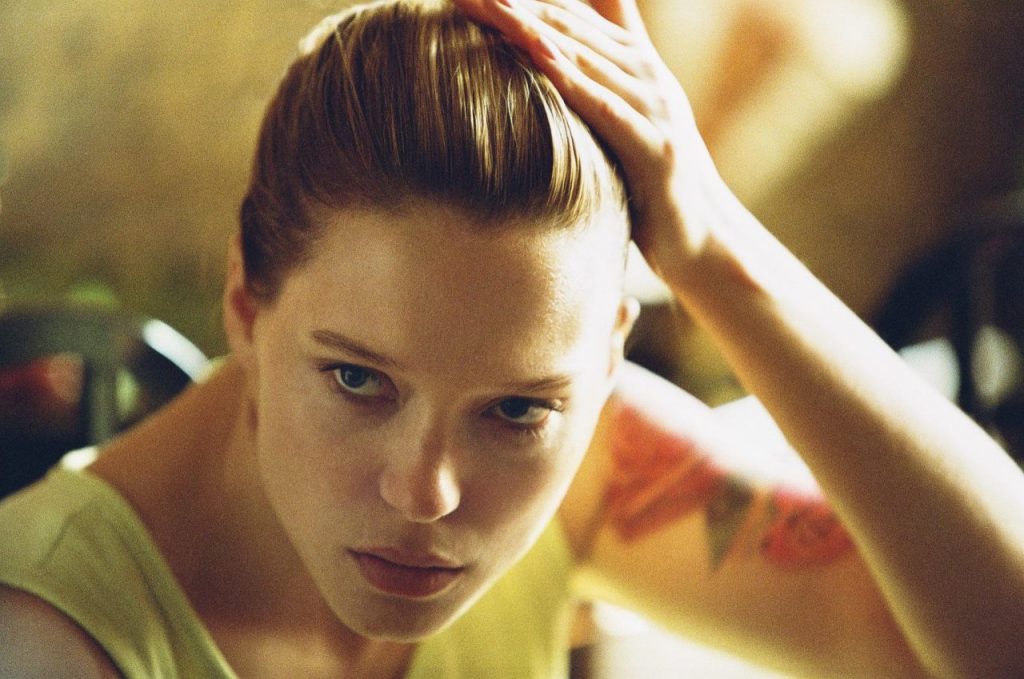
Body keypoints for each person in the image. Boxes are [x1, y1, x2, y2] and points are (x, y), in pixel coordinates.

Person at [2, 0, 1022, 676]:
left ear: (610, 353)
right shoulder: (45, 643)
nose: (426, 493)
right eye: (357, 379)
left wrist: (717, 249)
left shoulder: (598, 471)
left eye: (517, 409)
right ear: (245, 299)